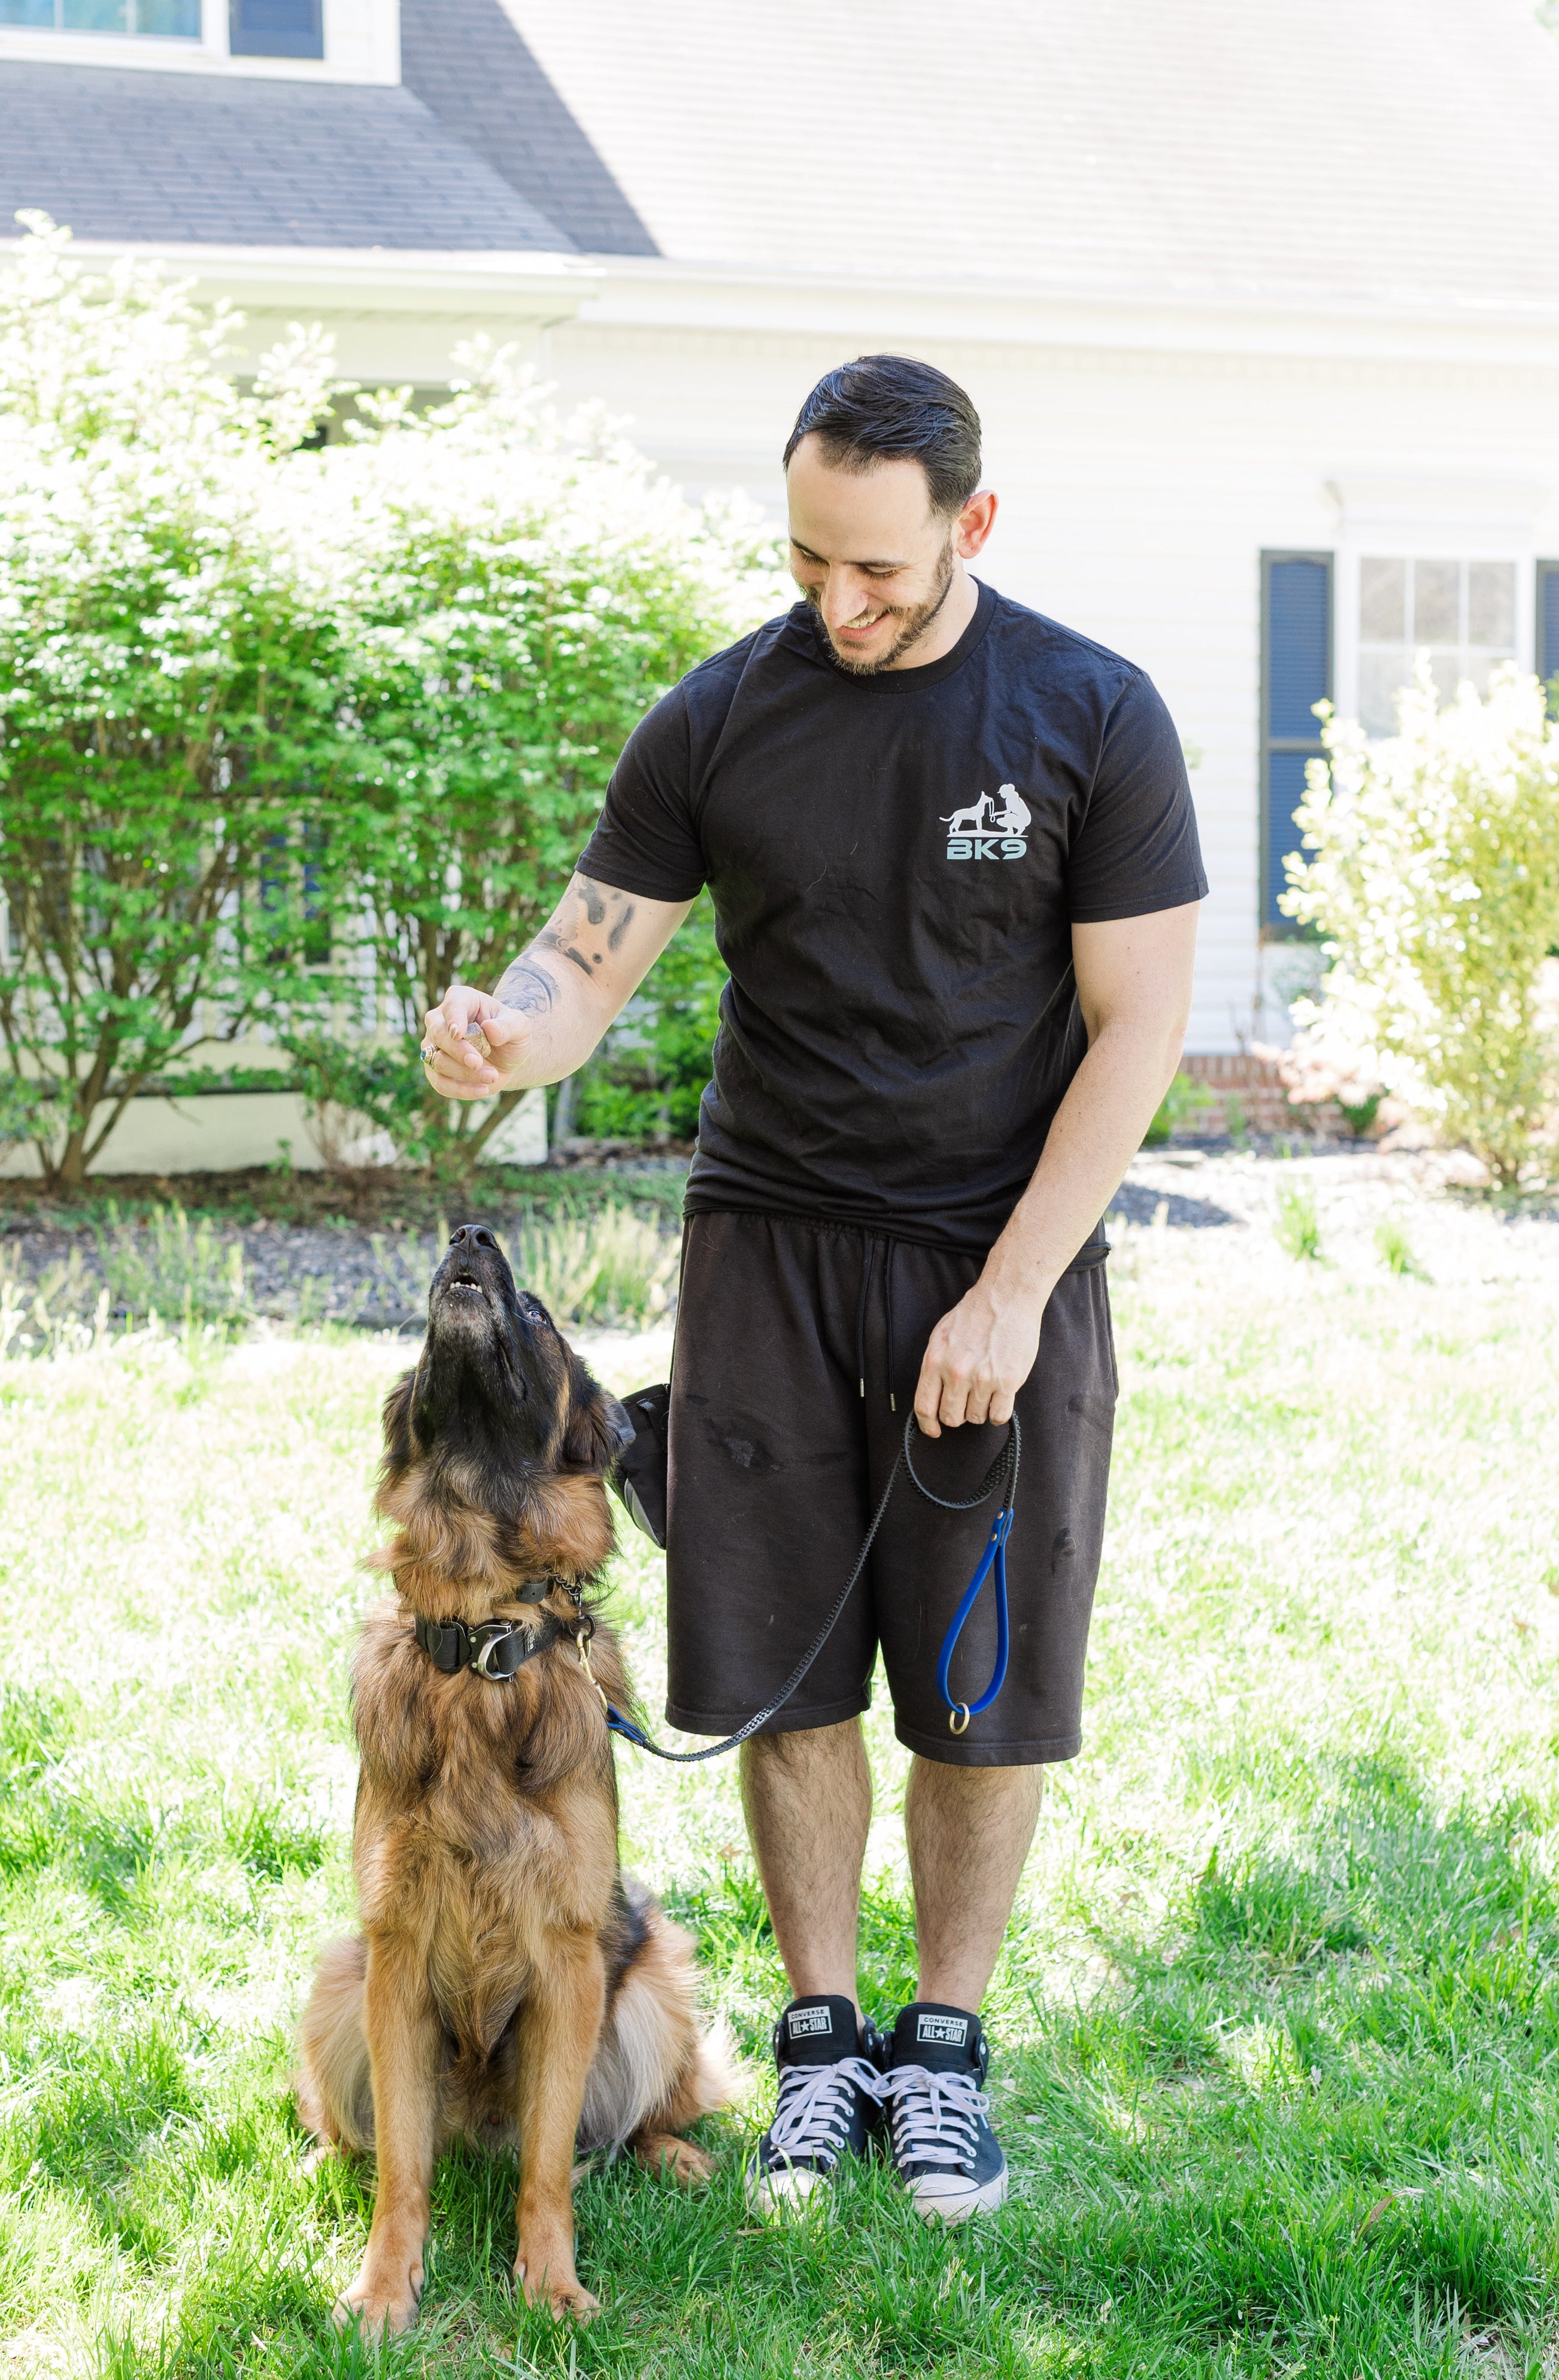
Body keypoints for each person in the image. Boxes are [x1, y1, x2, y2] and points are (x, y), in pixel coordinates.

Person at [420, 356, 1205, 2226]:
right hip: (767, 1246)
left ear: (971, 527)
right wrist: (498, 1033)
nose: (841, 604)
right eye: (807, 564)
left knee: (979, 1685)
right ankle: (822, 2032)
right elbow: (583, 959)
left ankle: (943, 2049)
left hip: (994, 1262)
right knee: (785, 1667)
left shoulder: (1092, 712)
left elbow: (1139, 1027)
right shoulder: (724, 719)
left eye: (880, 572)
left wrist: (1013, 1291)